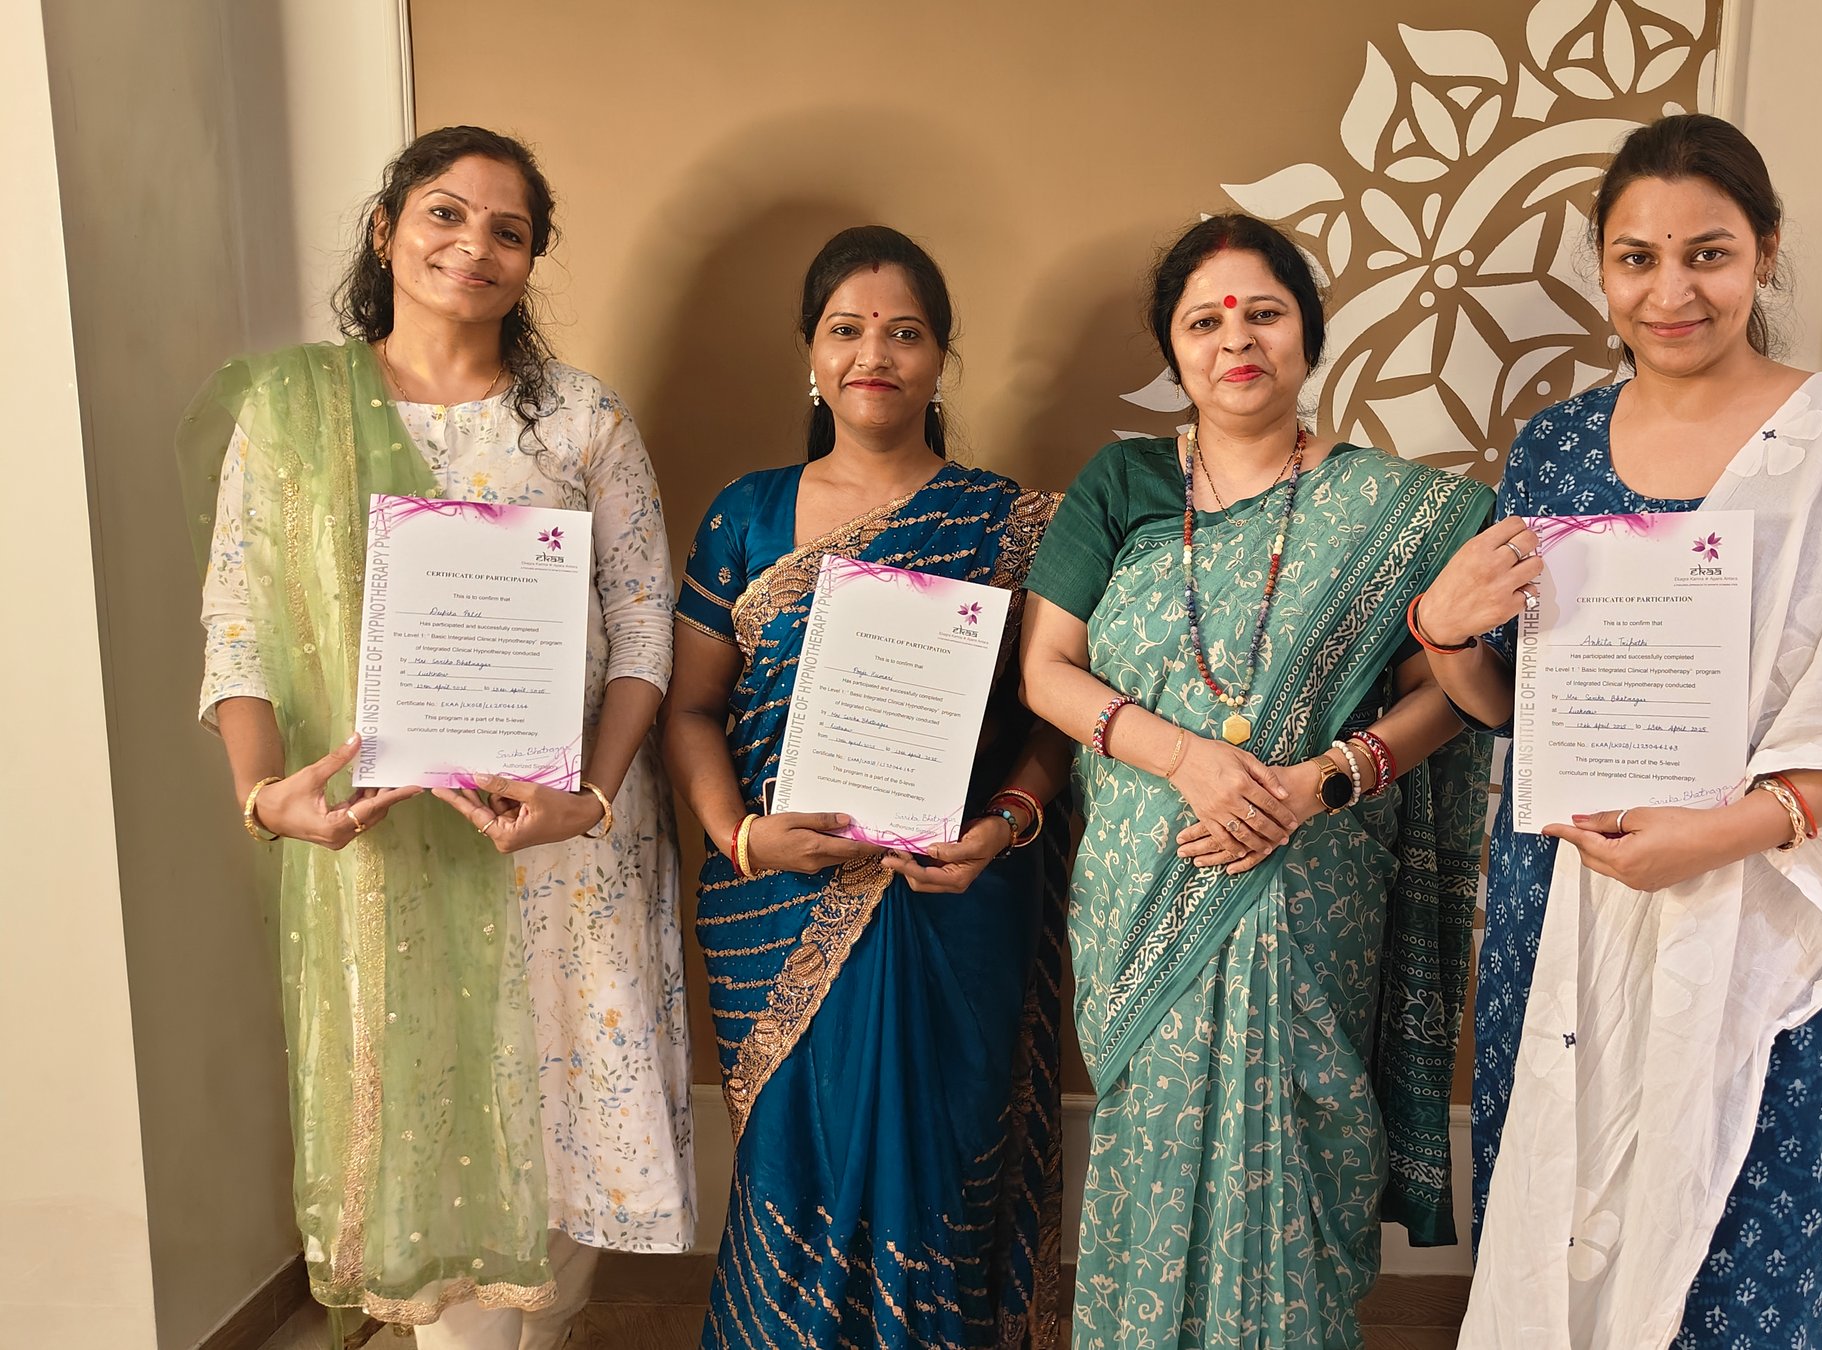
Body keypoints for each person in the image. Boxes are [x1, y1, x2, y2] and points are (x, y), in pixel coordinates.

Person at [1420, 114, 1822, 1348]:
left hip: (1773, 899)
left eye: (1708, 254)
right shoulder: (1558, 446)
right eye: (1636, 258)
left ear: (1766, 254)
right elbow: (1514, 706)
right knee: (1567, 1210)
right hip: (1569, 902)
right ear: (1602, 269)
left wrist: (1730, 829)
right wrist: (1446, 631)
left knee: (1751, 1244)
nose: (1671, 292)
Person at [180, 126, 694, 1346]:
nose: (475, 246)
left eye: (509, 232)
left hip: (560, 847)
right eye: (447, 215)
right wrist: (265, 797)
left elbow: (643, 629)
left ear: (532, 261)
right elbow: (238, 623)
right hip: (389, 850)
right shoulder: (290, 413)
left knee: (560, 1146)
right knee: (429, 1131)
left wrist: (598, 796)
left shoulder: (577, 419)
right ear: (386, 228)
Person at [1018, 213, 1496, 1349]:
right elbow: (1045, 670)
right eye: (1205, 319)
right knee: (1149, 1158)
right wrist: (1185, 758)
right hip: (1146, 889)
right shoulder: (1122, 482)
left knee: (1305, 1151)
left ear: (1308, 336)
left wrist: (1323, 779)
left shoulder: (1402, 510)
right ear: (1175, 354)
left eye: (1264, 311)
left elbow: (1459, 697)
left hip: (1315, 889)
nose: (1237, 337)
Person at [661, 224, 1069, 1349]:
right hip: (778, 900)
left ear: (942, 358)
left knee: (944, 1166)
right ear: (810, 353)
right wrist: (740, 839)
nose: (874, 353)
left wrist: (1003, 827)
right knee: (798, 1160)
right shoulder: (747, 514)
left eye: (906, 331)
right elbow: (688, 710)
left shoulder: (1005, 520)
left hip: (955, 904)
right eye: (846, 330)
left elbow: (1052, 723)